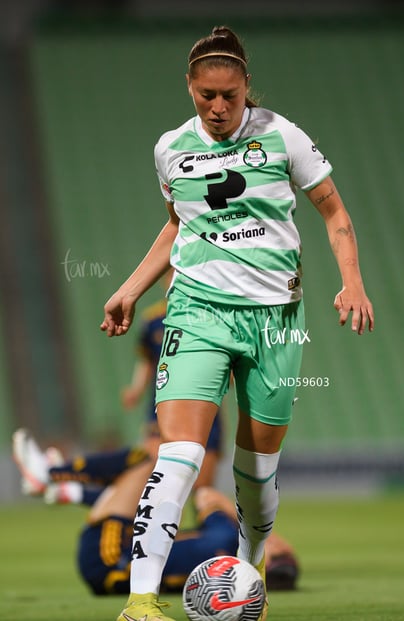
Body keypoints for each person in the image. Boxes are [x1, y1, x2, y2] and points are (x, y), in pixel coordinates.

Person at [100, 25, 374, 621]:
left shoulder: (282, 136)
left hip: (276, 319)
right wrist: (129, 289)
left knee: (256, 470)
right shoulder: (171, 148)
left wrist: (351, 280)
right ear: (191, 89)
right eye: (206, 96)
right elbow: (179, 224)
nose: (219, 108)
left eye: (230, 95)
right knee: (179, 451)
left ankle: (249, 579)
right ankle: (140, 601)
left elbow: (333, 209)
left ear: (247, 85)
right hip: (197, 311)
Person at [12, 428, 299, 594]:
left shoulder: (225, 538)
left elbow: (206, 495)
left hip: (109, 558)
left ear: (268, 559)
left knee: (147, 459)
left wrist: (257, 528)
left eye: (281, 550)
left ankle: (50, 474)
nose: (282, 543)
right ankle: (63, 490)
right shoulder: (222, 567)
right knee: (149, 501)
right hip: (108, 569)